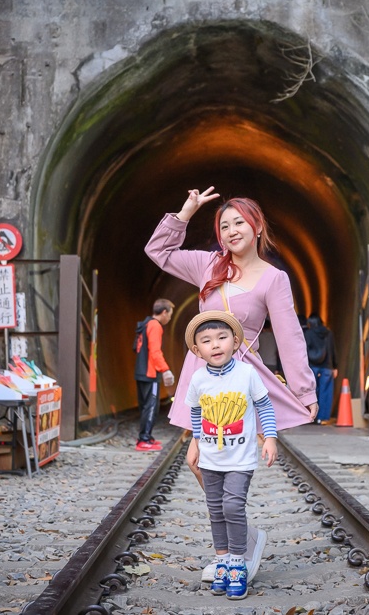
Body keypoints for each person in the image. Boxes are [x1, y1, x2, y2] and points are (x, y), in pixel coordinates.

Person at [145, 186, 319, 583]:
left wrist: (304, 390)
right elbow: (158, 251)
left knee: (217, 464)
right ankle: (240, 544)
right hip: (203, 377)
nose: (231, 231)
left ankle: (236, 549)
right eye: (224, 226)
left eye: (239, 222)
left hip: (239, 383)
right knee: (197, 462)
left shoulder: (274, 279)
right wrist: (185, 212)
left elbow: (290, 336)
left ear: (257, 227)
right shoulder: (208, 265)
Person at [184, 310, 277, 600]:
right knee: (215, 510)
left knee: (232, 507)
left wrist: (270, 437)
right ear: (197, 350)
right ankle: (222, 559)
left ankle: (238, 562)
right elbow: (196, 411)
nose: (215, 344)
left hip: (240, 459)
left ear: (235, 342)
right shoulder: (198, 379)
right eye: (206, 340)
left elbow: (264, 405)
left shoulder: (247, 374)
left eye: (222, 338)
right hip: (211, 459)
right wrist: (195, 441)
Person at [133, 298, 176, 451]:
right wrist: (165, 370)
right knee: (151, 406)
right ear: (164, 312)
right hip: (150, 373)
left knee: (145, 406)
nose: (169, 318)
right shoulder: (155, 326)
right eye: (170, 314)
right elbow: (155, 351)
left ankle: (146, 437)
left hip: (140, 371)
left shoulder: (145, 324)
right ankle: (144, 440)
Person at [304, 313, 338, 423]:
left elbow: (304, 351)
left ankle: (310, 416)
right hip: (327, 367)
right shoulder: (329, 333)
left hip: (312, 366)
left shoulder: (308, 334)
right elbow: (332, 349)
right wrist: (335, 366)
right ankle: (322, 418)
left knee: (311, 391)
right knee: (326, 392)